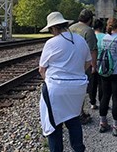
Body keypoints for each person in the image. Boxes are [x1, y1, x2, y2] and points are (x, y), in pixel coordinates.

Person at [39, 11, 91, 152]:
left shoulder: (51, 43)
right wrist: (75, 71)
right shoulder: (80, 39)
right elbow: (88, 63)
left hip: (56, 88)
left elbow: (42, 69)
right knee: (74, 120)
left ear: (54, 28)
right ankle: (79, 149)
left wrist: (49, 81)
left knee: (54, 125)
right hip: (78, 88)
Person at [70, 9, 98, 122]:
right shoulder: (89, 31)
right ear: (90, 19)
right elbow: (93, 50)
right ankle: (80, 113)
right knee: (81, 88)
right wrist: (94, 66)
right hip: (83, 63)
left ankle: (72, 112)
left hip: (70, 62)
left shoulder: (71, 28)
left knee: (72, 87)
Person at [93, 18, 106, 105]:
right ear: (101, 27)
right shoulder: (105, 36)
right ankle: (102, 101)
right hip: (102, 61)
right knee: (102, 83)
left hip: (92, 61)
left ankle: (92, 102)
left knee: (93, 83)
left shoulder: (91, 36)